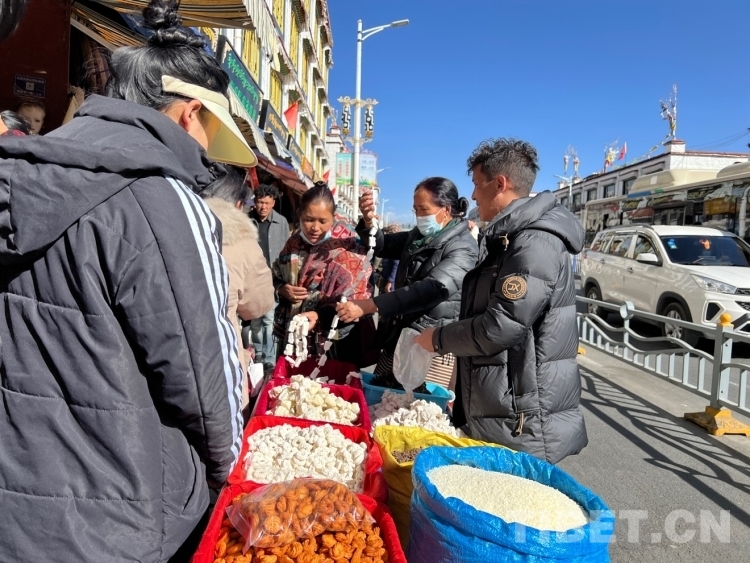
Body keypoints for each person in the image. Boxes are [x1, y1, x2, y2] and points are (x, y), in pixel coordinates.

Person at [0, 0, 259, 560]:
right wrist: (227, 476)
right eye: (212, 135)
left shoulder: (20, 172)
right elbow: (205, 383)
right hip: (121, 518)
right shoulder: (164, 200)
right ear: (191, 113)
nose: (207, 157)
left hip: (17, 511)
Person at [414, 138, 587, 464]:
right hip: (505, 406)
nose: (473, 195)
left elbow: (501, 326)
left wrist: (438, 338)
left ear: (500, 184)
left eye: (477, 184)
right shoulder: (510, 238)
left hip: (522, 416)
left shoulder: (534, 243)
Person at [337, 178, 478, 391]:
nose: (419, 216)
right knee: (382, 400)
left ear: (446, 209)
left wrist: (371, 305)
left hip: (431, 346)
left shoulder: (463, 247)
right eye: (416, 210)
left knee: (419, 407)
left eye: (424, 209)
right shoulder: (417, 236)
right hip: (398, 339)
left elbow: (431, 289)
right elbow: (382, 245)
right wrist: (368, 221)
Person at [273, 182, 375, 368]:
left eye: (323, 221)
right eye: (308, 219)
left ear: (333, 218)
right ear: (299, 214)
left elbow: (357, 296)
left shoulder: (349, 245)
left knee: (330, 382)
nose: (315, 227)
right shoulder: (293, 243)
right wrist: (282, 288)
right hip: (296, 335)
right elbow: (275, 275)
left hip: (337, 340)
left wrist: (319, 315)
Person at [200, 166, 275, 412]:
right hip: (220, 355)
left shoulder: (173, 226)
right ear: (239, 205)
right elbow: (258, 306)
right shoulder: (242, 243)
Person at [248, 183, 289, 372]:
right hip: (253, 279)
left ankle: (270, 358)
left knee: (269, 320)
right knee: (256, 320)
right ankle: (258, 353)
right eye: (260, 202)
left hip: (273, 279)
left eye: (267, 203)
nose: (263, 207)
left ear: (273, 203)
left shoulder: (281, 223)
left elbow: (287, 250)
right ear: (255, 202)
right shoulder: (247, 221)